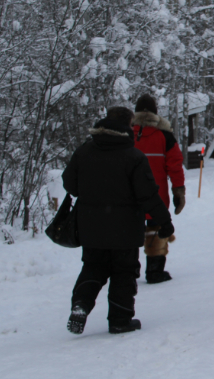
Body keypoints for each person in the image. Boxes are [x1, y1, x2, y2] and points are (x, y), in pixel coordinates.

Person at [63, 106, 174, 335]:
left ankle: (81, 305)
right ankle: (120, 319)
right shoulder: (133, 156)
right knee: (124, 272)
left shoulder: (84, 151)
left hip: (91, 225)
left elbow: (69, 185)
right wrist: (164, 221)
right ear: (128, 126)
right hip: (125, 228)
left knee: (92, 268)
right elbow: (148, 195)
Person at [131, 94, 186, 283]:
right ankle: (154, 271)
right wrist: (178, 191)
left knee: (128, 232)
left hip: (129, 196)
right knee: (155, 230)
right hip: (156, 195)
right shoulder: (165, 136)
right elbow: (175, 165)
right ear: (155, 112)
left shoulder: (126, 134)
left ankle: (129, 271)